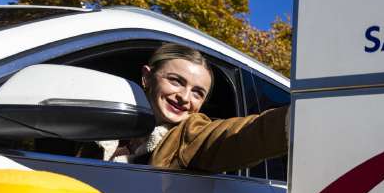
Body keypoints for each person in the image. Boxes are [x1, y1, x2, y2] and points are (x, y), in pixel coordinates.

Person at [92, 42, 288, 173]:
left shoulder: (188, 136)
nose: (185, 98)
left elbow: (244, 134)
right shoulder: (102, 126)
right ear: (147, 77)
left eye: (197, 93)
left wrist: (305, 115)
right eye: (176, 81)